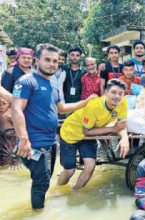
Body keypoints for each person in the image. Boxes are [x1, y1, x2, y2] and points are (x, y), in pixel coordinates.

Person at [11, 43, 97, 209]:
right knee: (41, 183)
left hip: (50, 141)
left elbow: (62, 108)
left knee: (45, 179)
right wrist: (23, 139)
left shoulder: (52, 86)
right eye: (47, 60)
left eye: (55, 61)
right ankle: (37, 218)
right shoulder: (26, 82)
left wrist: (85, 102)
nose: (51, 64)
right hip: (34, 142)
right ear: (37, 61)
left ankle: (39, 209)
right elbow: (16, 109)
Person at [58, 79, 129, 190]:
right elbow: (86, 131)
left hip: (89, 136)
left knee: (90, 166)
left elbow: (121, 125)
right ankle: (57, 190)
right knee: (69, 170)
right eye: (113, 92)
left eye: (120, 94)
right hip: (70, 133)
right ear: (105, 92)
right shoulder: (94, 106)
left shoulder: (123, 102)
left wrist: (124, 137)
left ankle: (76, 192)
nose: (117, 97)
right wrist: (113, 128)